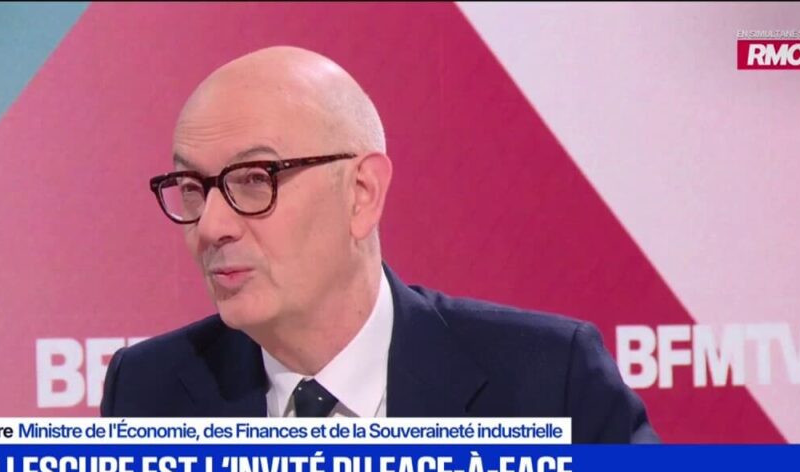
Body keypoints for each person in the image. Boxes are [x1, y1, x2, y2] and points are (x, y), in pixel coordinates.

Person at [101, 46, 659, 443]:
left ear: (362, 194)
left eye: (254, 179)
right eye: (192, 188)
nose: (210, 226)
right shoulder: (148, 395)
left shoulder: (549, 381)